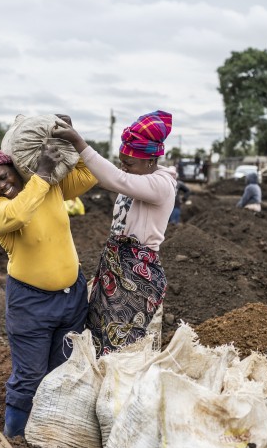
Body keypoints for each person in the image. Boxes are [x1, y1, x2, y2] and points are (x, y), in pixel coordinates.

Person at [0, 135, 97, 438]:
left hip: (72, 299)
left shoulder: (49, 187)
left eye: (2, 175)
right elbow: (19, 214)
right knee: (29, 376)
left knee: (61, 372)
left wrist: (74, 139)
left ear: (14, 167)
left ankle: (49, 438)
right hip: (31, 306)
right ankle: (14, 439)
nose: (0, 185)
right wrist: (41, 174)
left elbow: (89, 175)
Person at [53, 110, 177, 357]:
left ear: (150, 161)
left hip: (136, 275)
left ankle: (121, 394)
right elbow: (111, 176)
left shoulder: (161, 184)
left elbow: (114, 179)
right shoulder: (137, 177)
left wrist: (79, 142)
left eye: (129, 163)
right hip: (113, 267)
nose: (124, 168)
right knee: (98, 335)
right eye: (122, 162)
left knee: (122, 347)